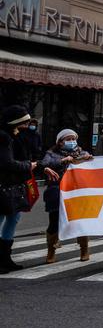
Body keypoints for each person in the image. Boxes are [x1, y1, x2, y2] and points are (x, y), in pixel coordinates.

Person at [40, 129, 94, 263]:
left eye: (73, 139)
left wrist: (89, 159)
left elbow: (93, 167)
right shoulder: (51, 154)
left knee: (80, 221)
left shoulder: (82, 153)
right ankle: (51, 251)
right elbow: (44, 164)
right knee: (54, 221)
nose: (71, 142)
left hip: (77, 192)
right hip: (57, 191)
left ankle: (84, 249)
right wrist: (63, 161)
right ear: (60, 142)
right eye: (68, 139)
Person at [0, 105, 39, 273]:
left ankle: (5, 257)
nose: (27, 126)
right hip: (4, 185)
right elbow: (6, 163)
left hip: (12, 186)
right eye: (24, 122)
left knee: (12, 219)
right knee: (3, 218)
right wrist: (27, 166)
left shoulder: (12, 136)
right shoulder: (3, 137)